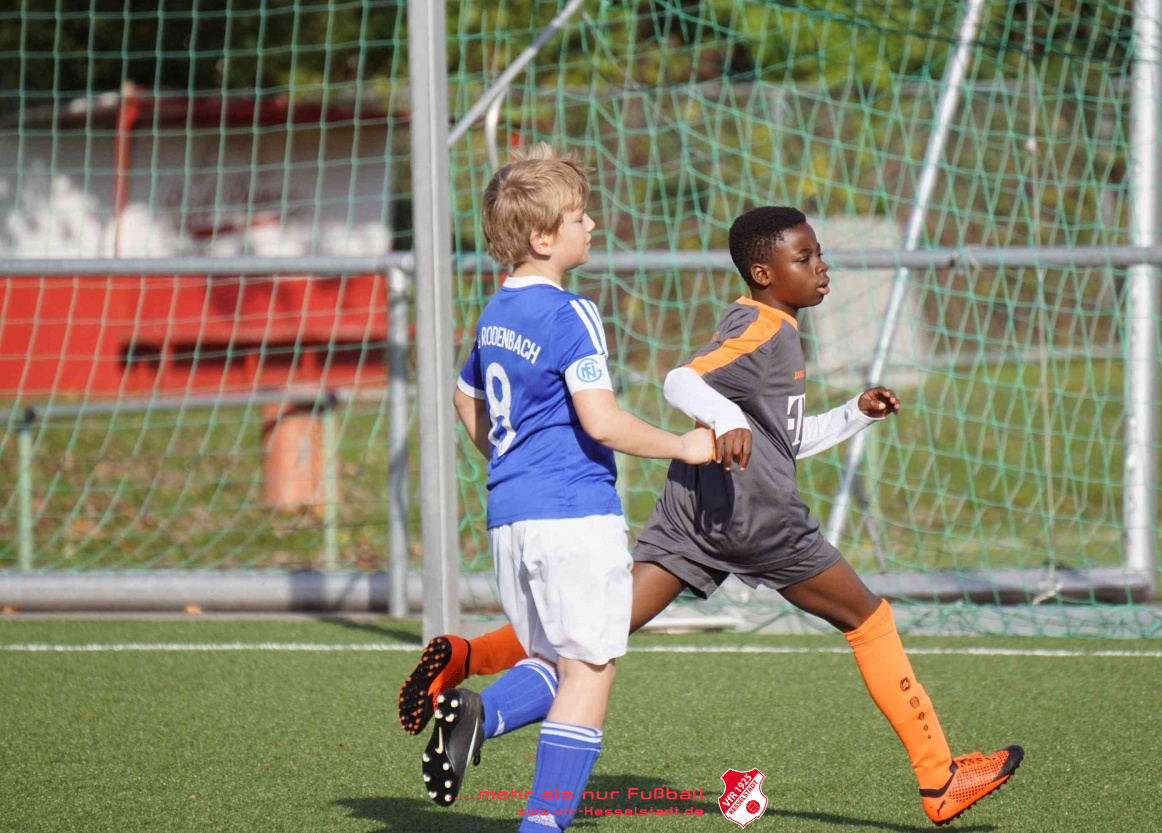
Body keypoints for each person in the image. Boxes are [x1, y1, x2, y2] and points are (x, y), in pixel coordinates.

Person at [405, 205, 1023, 826]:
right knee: (869, 619)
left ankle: (472, 676)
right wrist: (723, 419)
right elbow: (681, 380)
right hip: (760, 519)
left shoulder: (758, 321)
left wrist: (853, 414)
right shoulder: (764, 329)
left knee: (595, 628)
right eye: (804, 257)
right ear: (764, 272)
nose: (821, 266)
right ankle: (939, 778)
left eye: (817, 253)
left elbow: (780, 440)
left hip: (694, 514)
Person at [422, 143, 714, 832]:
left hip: (510, 516)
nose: (593, 226)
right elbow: (601, 421)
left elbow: (466, 399)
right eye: (580, 217)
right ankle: (542, 825)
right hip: (573, 516)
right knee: (591, 668)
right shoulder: (571, 313)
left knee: (553, 658)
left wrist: (511, 460)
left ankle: (480, 712)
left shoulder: (496, 312)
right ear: (543, 238)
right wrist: (684, 445)